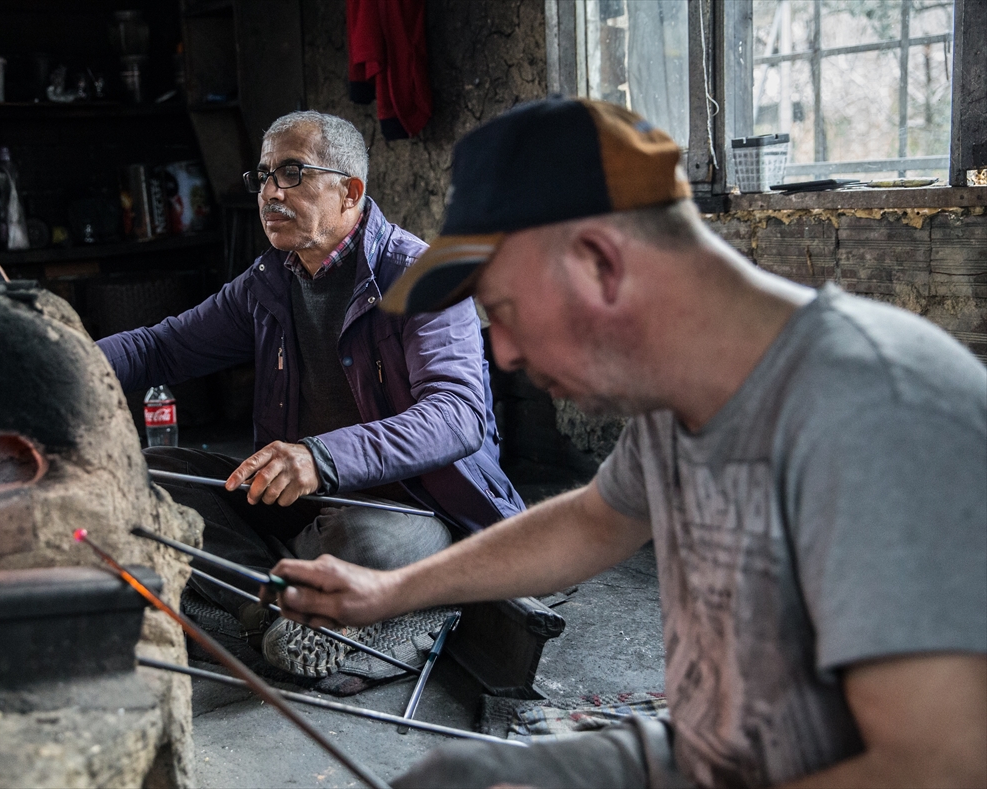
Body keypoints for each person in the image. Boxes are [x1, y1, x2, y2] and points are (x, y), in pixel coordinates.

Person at [264, 98, 987, 787]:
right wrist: (387, 589)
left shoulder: (878, 413)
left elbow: (938, 768)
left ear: (600, 264)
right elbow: (595, 518)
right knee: (455, 778)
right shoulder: (685, 398)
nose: (505, 352)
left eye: (506, 311)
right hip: (714, 752)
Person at [97, 110, 524, 678]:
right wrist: (65, 360)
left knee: (369, 542)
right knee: (153, 474)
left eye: (292, 172)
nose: (270, 191)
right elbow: (160, 347)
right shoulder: (270, 280)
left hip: (408, 506)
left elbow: (457, 414)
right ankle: (283, 609)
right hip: (298, 505)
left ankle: (260, 597)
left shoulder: (421, 275)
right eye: (265, 176)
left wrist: (320, 457)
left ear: (349, 191)